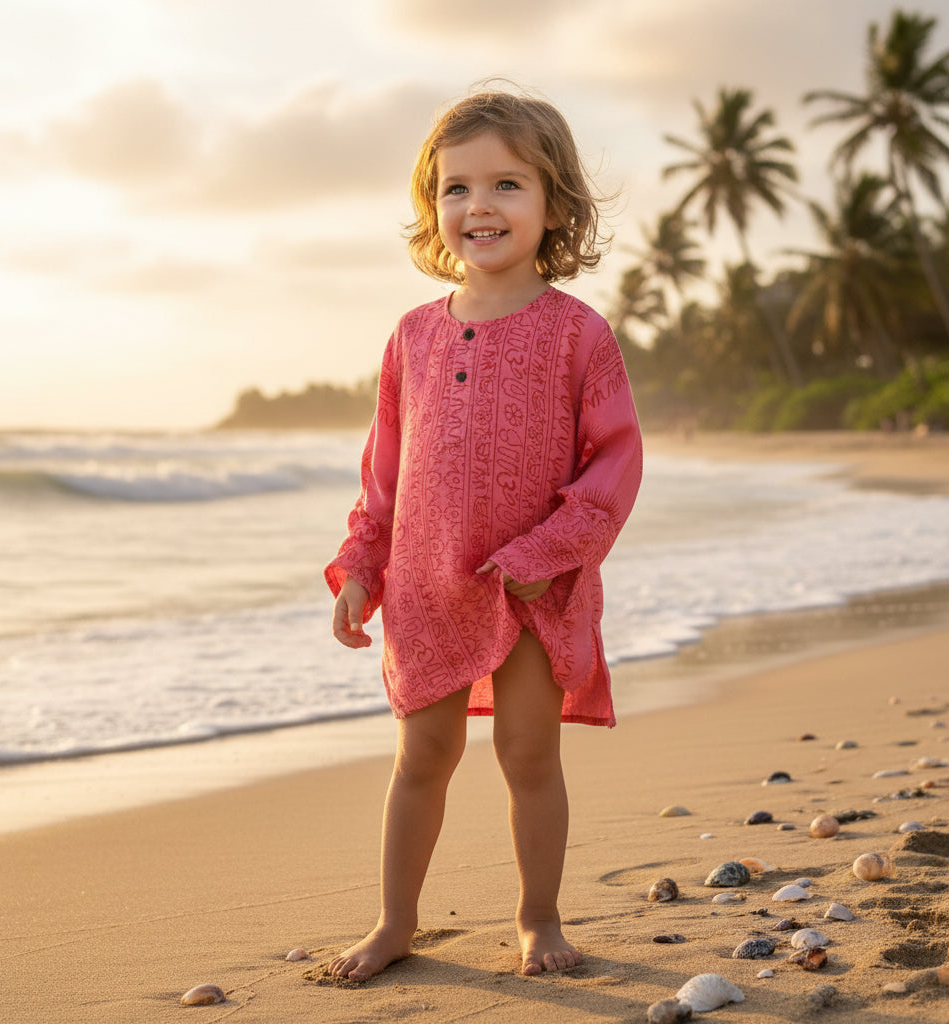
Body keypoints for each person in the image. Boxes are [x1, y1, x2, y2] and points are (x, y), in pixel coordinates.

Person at [325, 85, 642, 982]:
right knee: (421, 755)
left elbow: (614, 468)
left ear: (554, 204)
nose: (479, 207)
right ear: (434, 207)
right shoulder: (412, 338)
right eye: (456, 188)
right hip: (427, 585)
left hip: (532, 590)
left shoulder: (579, 336)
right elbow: (385, 474)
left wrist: (546, 557)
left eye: (507, 185)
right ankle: (394, 922)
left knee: (526, 753)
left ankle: (538, 917)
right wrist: (361, 569)